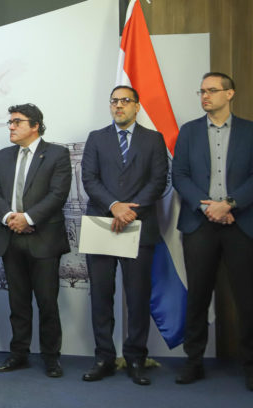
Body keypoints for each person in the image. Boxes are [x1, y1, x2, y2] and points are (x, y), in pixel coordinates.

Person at [172, 72, 253, 392]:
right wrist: (207, 207)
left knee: (247, 297)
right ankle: (193, 361)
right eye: (201, 91)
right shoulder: (189, 132)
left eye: (212, 91)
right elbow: (180, 175)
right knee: (197, 295)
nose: (205, 96)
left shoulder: (252, 132)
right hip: (200, 223)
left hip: (241, 223)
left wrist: (229, 204)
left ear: (230, 94)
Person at [81, 85, 167, 385]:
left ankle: (135, 359)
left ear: (137, 106)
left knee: (137, 297)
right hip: (101, 225)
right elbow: (89, 179)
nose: (119, 106)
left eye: (125, 101)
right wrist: (114, 205)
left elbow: (158, 180)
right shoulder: (96, 138)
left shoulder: (153, 140)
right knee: (101, 297)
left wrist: (131, 210)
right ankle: (104, 357)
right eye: (114, 101)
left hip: (138, 226)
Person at [0, 103, 71, 378]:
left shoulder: (57, 154)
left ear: (35, 126)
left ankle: (50, 357)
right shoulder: (3, 156)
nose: (10, 126)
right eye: (9, 122)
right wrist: (11, 216)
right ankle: (18, 354)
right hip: (11, 237)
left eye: (17, 122)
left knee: (47, 303)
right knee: (17, 303)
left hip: (44, 239)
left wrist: (29, 218)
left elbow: (58, 194)